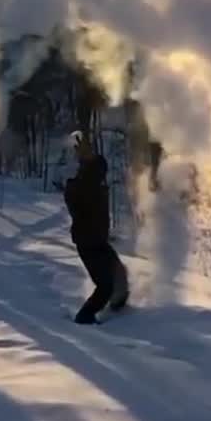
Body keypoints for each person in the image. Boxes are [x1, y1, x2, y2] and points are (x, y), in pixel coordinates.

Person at [64, 132, 129, 324]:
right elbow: (74, 196)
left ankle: (119, 314)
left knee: (120, 276)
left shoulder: (94, 180)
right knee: (105, 286)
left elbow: (100, 165)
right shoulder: (82, 184)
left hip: (99, 240)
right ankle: (84, 319)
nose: (104, 174)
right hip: (88, 242)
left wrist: (88, 156)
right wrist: (85, 159)